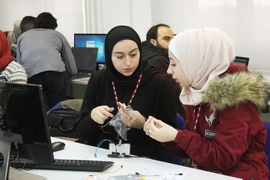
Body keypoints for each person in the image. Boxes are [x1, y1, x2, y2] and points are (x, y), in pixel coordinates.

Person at [143, 27, 269, 179]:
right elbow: (192, 149)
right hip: (205, 172)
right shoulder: (196, 90)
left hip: (239, 175)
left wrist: (177, 136)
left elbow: (223, 158)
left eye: (174, 64)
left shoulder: (235, 100)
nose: (169, 71)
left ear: (197, 63)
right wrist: (167, 136)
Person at [78, 25, 177, 162]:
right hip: (102, 155)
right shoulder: (98, 80)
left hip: (145, 159)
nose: (128, 63)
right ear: (109, 56)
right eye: (119, 56)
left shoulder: (157, 83)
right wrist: (92, 117)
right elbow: (83, 131)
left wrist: (143, 125)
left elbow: (172, 137)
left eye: (133, 54)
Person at [16, 12, 77, 108]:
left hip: (31, 75)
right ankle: (56, 121)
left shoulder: (22, 37)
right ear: (54, 27)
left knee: (35, 109)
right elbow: (69, 58)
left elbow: (19, 63)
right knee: (58, 107)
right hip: (55, 73)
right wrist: (71, 74)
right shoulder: (58, 35)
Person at [142, 23, 186, 119]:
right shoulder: (160, 61)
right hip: (165, 116)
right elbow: (174, 92)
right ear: (153, 42)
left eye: (172, 38)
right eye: (167, 39)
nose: (171, 42)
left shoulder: (142, 53)